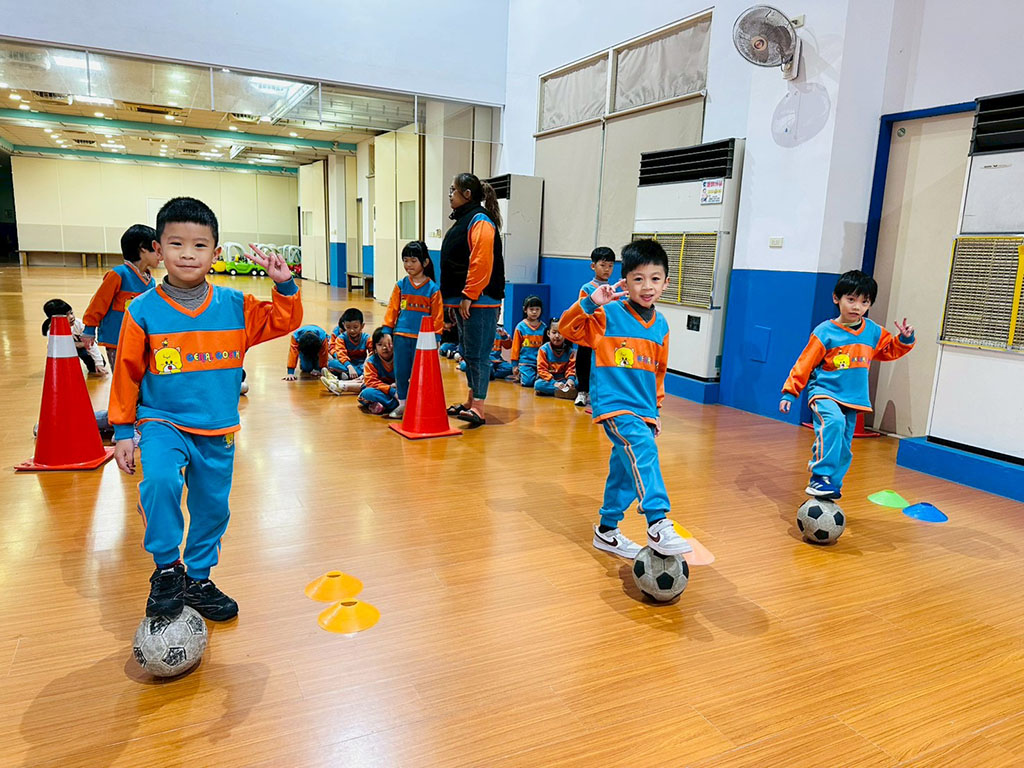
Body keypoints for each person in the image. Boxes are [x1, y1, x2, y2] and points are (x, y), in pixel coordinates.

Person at [109, 197, 302, 620]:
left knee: (213, 506)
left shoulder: (235, 306)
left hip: (218, 426)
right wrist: (123, 431)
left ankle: (197, 578)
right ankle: (167, 570)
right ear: (158, 249)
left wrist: (285, 285)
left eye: (199, 245)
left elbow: (284, 320)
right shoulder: (142, 310)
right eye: (176, 244)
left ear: (215, 253)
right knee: (160, 482)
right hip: (162, 420)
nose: (187, 254)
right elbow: (125, 372)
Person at [560, 239, 692, 560]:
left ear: (666, 282)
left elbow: (658, 372)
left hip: (643, 408)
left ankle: (607, 530)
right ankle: (657, 521)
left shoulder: (661, 325)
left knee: (624, 469)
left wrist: (655, 410)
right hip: (614, 404)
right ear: (625, 281)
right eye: (638, 279)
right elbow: (567, 328)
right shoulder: (607, 314)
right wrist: (590, 303)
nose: (647, 287)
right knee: (643, 451)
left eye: (655, 279)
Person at [780, 270, 915, 499]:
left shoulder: (872, 331)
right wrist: (790, 392)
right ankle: (819, 476)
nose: (857, 307)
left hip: (853, 398)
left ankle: (831, 485)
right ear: (836, 298)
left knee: (844, 445)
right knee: (833, 423)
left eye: (864, 302)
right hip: (824, 392)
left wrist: (904, 339)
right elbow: (805, 362)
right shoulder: (825, 331)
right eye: (851, 299)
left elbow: (888, 351)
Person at [440, 172, 506, 427]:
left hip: (480, 300)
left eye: (453, 190)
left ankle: (479, 406)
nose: (449, 195)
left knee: (478, 355)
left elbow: (481, 260)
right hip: (465, 301)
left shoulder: (480, 220)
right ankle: (471, 401)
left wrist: (469, 294)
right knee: (468, 353)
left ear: (467, 194)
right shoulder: (465, 219)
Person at [82, 224, 160, 369]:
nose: (162, 255)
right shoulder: (118, 274)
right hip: (117, 340)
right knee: (121, 376)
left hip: (140, 340)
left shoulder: (151, 281)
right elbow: (99, 302)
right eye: (157, 249)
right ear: (143, 248)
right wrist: (89, 328)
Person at [381, 241, 443, 421]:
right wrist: (387, 331)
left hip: (424, 340)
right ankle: (403, 404)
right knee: (401, 372)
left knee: (422, 373)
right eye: (405, 260)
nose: (408, 265)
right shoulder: (401, 285)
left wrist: (436, 338)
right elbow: (392, 309)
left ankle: (422, 404)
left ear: (425, 262)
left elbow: (437, 316)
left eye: (413, 261)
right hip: (401, 336)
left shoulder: (433, 289)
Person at [575, 246, 616, 406]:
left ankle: (600, 393)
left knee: (603, 364)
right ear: (593, 266)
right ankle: (582, 391)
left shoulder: (613, 289)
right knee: (584, 361)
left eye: (610, 266)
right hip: (589, 332)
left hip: (605, 334)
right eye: (603, 265)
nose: (607, 269)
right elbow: (583, 309)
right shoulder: (587, 288)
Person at [42, 298, 109, 376]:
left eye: (71, 313)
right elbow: (57, 347)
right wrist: (77, 344)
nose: (71, 317)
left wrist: (99, 363)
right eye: (66, 315)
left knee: (95, 367)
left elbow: (91, 345)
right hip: (64, 351)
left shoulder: (79, 324)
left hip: (82, 348)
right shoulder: (52, 331)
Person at [358, 327, 399, 415]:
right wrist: (391, 390)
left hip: (399, 391)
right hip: (382, 391)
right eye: (380, 344)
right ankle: (394, 405)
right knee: (366, 393)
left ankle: (383, 405)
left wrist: (398, 385)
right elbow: (371, 382)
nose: (384, 347)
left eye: (389, 344)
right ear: (375, 347)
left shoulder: (400, 359)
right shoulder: (371, 361)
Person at [534, 318, 577, 399]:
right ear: (548, 333)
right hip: (548, 380)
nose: (557, 336)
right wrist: (554, 383)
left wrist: (570, 380)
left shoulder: (571, 351)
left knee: (578, 383)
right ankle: (564, 392)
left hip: (563, 380)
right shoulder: (543, 349)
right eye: (554, 332)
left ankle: (557, 391)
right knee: (538, 385)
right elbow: (542, 370)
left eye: (560, 332)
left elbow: (571, 369)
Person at [511, 295, 546, 387]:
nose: (534, 312)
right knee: (528, 382)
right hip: (526, 362)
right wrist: (515, 365)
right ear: (525, 309)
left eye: (537, 309)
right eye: (531, 309)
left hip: (540, 363)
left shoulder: (544, 327)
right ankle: (522, 374)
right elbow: (515, 347)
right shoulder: (520, 327)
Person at [326, 308, 369, 380]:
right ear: (344, 325)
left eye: (355, 327)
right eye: (348, 327)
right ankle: (353, 374)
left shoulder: (367, 338)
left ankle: (346, 374)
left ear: (362, 326)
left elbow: (373, 353)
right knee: (332, 363)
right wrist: (349, 366)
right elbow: (341, 354)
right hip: (346, 364)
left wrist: (367, 362)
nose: (352, 330)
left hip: (361, 365)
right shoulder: (340, 338)